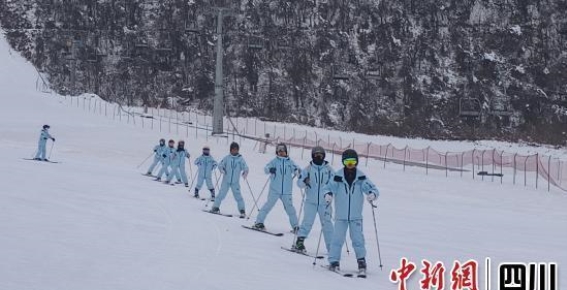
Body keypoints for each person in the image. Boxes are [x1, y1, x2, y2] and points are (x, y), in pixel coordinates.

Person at [323, 149, 379, 273]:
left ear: (356, 162)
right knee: (337, 239)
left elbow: (373, 189)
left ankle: (361, 262)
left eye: (353, 161)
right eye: (347, 161)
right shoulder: (337, 176)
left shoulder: (361, 177)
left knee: (358, 240)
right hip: (340, 216)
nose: (350, 164)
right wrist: (327, 194)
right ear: (343, 162)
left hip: (355, 216)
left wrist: (372, 195)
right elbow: (327, 188)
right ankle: (334, 262)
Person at [294, 146, 335, 253]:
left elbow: (335, 183)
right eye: (316, 155)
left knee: (327, 224)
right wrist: (304, 180)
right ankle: (300, 242)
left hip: (325, 203)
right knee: (307, 222)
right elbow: (299, 184)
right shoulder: (308, 169)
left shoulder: (329, 169)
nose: (318, 157)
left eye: (320, 155)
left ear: (323, 156)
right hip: (310, 202)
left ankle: (332, 248)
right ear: (312, 156)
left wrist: (331, 192)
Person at [253, 143, 300, 232]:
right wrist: (270, 169)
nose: (281, 153)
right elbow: (266, 168)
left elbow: (297, 169)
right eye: (279, 151)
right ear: (277, 152)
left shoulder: (290, 162)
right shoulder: (274, 161)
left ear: (286, 152)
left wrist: (297, 171)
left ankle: (296, 226)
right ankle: (259, 222)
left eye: (283, 151)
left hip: (286, 191)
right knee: (268, 205)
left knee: (290, 209)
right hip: (275, 189)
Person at [210, 142, 249, 217]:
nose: (235, 151)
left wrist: (245, 172)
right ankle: (215, 207)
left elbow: (245, 167)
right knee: (221, 194)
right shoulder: (227, 158)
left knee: (238, 196)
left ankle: (242, 210)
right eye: (233, 149)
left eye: (236, 149)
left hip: (235, 182)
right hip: (226, 181)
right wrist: (222, 169)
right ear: (230, 150)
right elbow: (220, 165)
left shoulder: (240, 159)